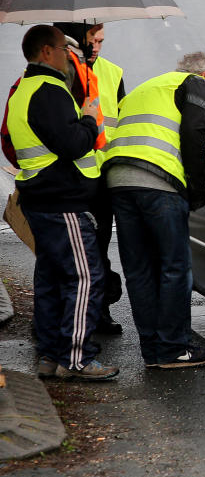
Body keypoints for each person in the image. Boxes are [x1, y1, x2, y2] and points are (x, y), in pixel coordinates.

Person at [6, 25, 119, 381]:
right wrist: (88, 116)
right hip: (63, 200)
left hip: (40, 197)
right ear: (46, 52)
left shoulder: (24, 89)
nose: (69, 58)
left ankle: (52, 354)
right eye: (62, 50)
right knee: (85, 277)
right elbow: (72, 144)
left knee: (52, 278)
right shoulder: (50, 90)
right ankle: (77, 358)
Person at [101, 51, 205, 370]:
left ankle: (152, 349)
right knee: (175, 267)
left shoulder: (151, 87)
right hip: (158, 182)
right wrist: (196, 191)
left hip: (118, 178)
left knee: (139, 269)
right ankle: (172, 349)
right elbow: (195, 132)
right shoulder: (196, 83)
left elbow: (154, 132)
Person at [53, 22, 126, 334]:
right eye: (92, 40)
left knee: (97, 247)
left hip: (101, 177)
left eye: (101, 41)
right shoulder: (59, 74)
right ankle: (67, 319)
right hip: (68, 179)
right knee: (67, 254)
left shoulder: (113, 73)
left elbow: (120, 123)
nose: (96, 46)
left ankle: (99, 311)